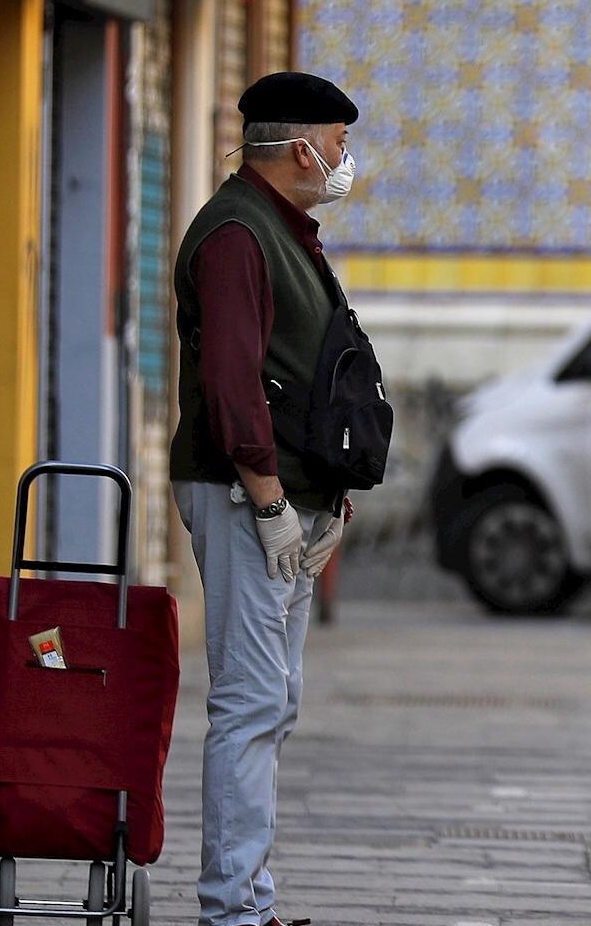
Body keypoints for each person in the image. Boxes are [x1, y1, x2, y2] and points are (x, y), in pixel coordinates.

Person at [169, 71, 362, 926]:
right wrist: (270, 496)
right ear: (301, 148)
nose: (346, 160)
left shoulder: (284, 230)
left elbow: (307, 372)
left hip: (289, 496)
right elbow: (232, 378)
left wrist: (328, 501)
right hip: (247, 493)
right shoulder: (236, 236)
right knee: (250, 702)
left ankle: (250, 898)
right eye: (340, 143)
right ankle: (230, 913)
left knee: (274, 701)